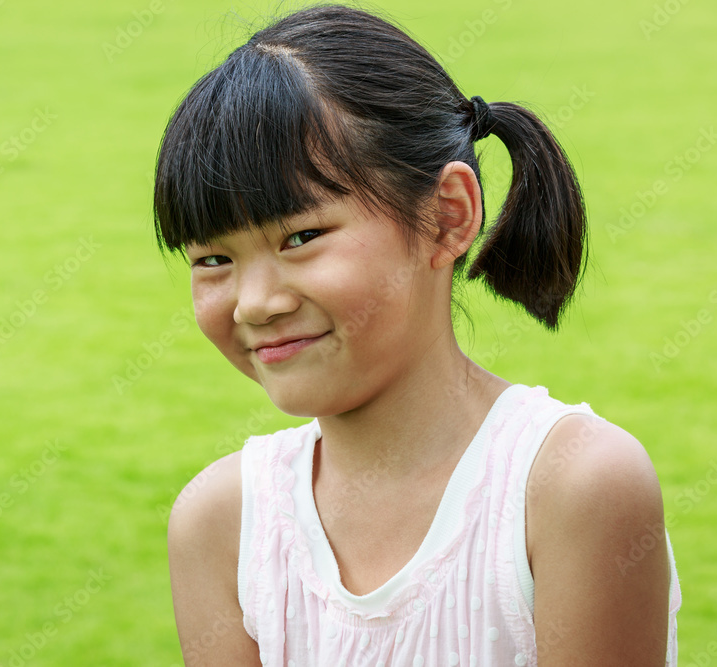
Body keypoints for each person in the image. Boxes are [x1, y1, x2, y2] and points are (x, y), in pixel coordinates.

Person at [154, 4, 681, 665]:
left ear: (446, 217)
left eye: (302, 236)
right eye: (212, 259)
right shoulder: (223, 522)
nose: (255, 303)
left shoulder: (571, 488)